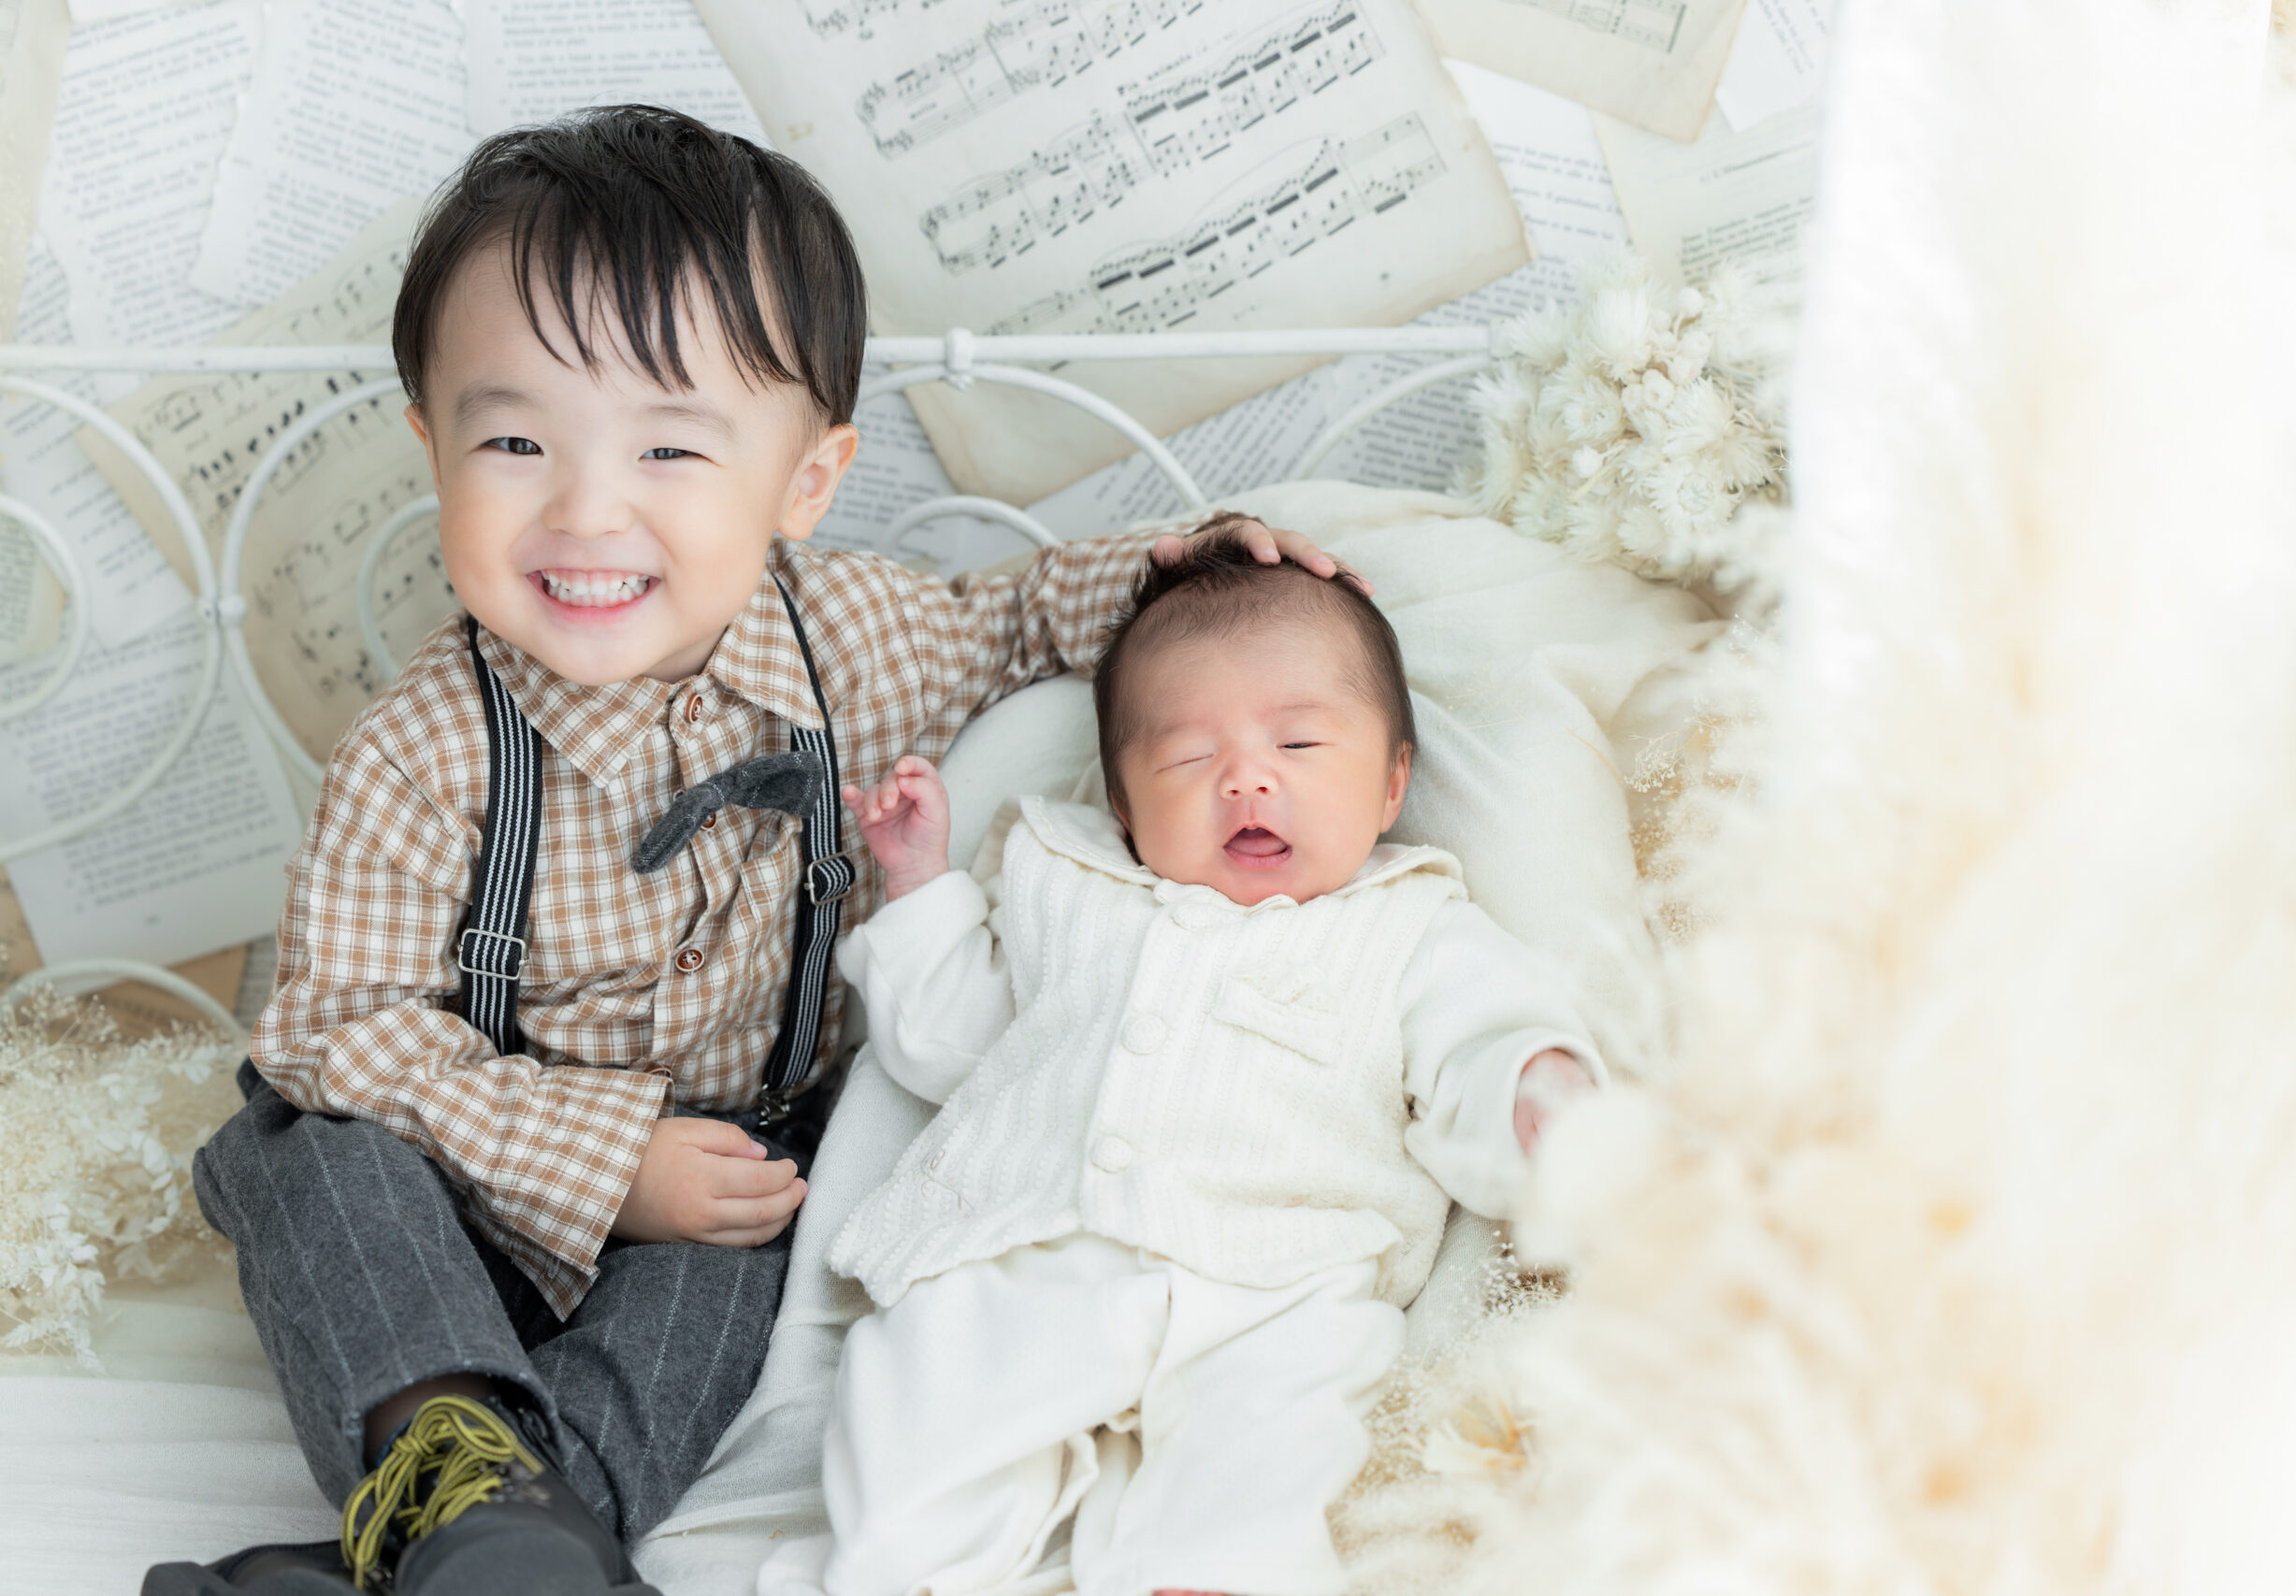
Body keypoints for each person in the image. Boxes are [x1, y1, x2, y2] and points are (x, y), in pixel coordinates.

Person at [143, 106, 1346, 1596]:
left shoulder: (858, 641)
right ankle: (456, 1471)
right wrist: (600, 1158)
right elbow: (338, 1029)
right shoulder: (421, 752)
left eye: (669, 445)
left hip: (723, 1182)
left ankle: (491, 1545)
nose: (587, 508)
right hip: (456, 1173)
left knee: (767, 1252)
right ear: (430, 442)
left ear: (805, 482)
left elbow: (1025, 620)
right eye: (513, 439)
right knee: (309, 1158)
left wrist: (1198, 571)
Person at [813, 539, 1604, 1596]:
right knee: (914, 1441)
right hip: (1026, 1243)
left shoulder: (1413, 921)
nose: (1247, 777)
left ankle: (1203, 1572)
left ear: (1391, 784)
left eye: (1300, 743)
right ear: (1124, 806)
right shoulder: (1065, 881)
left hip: (1279, 1280)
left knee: (1263, 1473)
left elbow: (1481, 1035)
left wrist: (1536, 1091)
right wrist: (919, 888)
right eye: (1188, 757)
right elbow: (953, 1044)